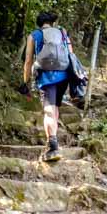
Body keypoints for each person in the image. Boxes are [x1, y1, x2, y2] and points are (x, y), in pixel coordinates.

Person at [20, 11, 71, 161]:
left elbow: (28, 61)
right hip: (63, 75)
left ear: (39, 23)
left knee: (48, 109)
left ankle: (53, 147)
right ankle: (53, 141)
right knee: (54, 107)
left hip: (46, 76)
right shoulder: (62, 32)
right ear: (52, 23)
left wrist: (25, 81)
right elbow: (71, 53)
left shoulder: (34, 35)